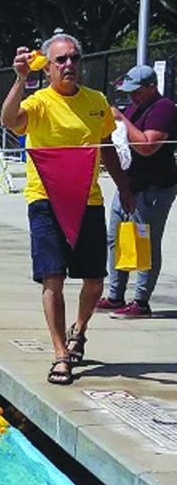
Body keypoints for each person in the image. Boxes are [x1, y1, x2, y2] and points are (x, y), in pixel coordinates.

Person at [0, 34, 134, 385]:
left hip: (88, 199)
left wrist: (124, 186)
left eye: (74, 58)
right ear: (47, 69)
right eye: (60, 60)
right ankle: (61, 354)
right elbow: (9, 121)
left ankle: (80, 330)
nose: (68, 65)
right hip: (44, 199)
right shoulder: (39, 102)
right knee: (52, 278)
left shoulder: (96, 101)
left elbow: (106, 144)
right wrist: (19, 79)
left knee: (94, 281)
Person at [96, 65, 177, 319]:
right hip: (129, 185)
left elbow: (146, 146)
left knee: (146, 243)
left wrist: (122, 120)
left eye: (137, 92)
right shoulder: (135, 107)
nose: (132, 97)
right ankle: (115, 294)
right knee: (116, 239)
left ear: (151, 87)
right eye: (129, 92)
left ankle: (141, 301)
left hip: (153, 188)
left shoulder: (163, 109)